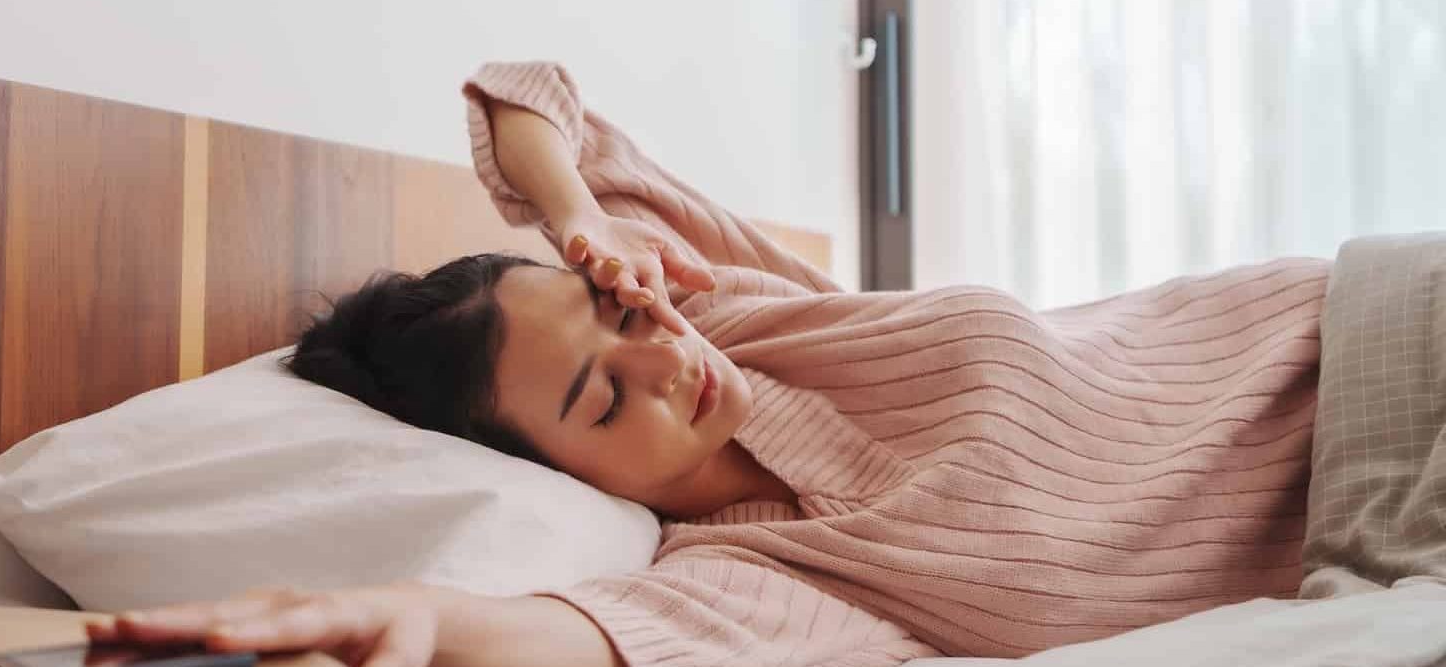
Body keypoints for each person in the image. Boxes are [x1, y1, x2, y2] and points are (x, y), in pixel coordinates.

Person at [90, 62, 1329, 667]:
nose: (661, 364)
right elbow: (573, 637)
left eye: (618, 324)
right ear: (559, 474)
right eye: (599, 399)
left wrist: (584, 224)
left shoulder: (719, 306)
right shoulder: (741, 574)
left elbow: (523, 85)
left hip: (1347, 328)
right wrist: (401, 612)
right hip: (1380, 516)